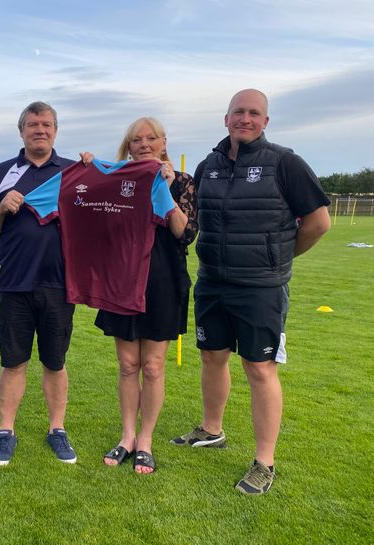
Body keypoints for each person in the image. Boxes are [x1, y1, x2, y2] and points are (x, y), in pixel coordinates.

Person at [171, 89, 330, 494]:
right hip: (212, 281)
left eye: (254, 113)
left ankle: (264, 461)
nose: (246, 118)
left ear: (265, 121)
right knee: (212, 357)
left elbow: (319, 222)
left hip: (261, 288)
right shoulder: (208, 166)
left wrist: (279, 258)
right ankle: (212, 430)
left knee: (259, 368)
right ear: (226, 119)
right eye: (238, 112)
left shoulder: (285, 162)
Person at [0, 101, 78, 466]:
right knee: (14, 362)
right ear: (21, 131)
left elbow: (101, 207)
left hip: (59, 284)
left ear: (56, 130)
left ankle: (57, 429)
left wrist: (92, 166)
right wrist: (1, 208)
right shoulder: (3, 172)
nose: (40, 130)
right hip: (15, 283)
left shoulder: (72, 172)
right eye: (33, 124)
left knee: (55, 362)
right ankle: (6, 430)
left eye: (47, 124)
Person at [96, 117, 197, 474]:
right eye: (136, 140)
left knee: (153, 367)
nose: (143, 144)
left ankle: (146, 440)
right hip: (123, 281)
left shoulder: (181, 181)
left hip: (163, 281)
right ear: (128, 146)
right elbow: (102, 226)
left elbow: (185, 234)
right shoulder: (118, 181)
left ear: (163, 142)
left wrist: (164, 189)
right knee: (127, 365)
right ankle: (127, 436)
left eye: (150, 138)